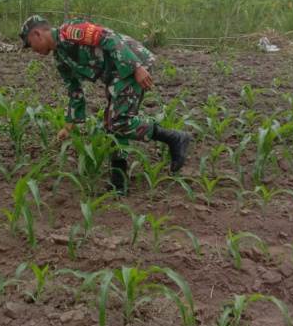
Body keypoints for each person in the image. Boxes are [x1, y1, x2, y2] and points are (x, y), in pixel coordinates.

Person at [18, 15, 192, 194]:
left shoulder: (70, 31)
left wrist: (136, 67)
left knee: (120, 121)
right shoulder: (60, 59)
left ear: (37, 34)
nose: (33, 50)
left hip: (131, 62)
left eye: (30, 45)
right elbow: (74, 90)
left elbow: (109, 37)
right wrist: (69, 126)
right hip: (115, 74)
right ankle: (119, 184)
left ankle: (174, 138)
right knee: (111, 125)